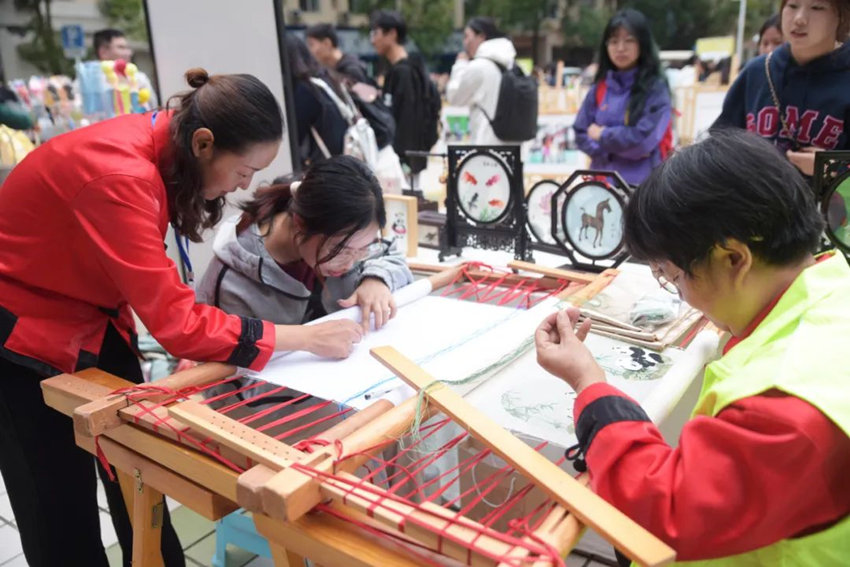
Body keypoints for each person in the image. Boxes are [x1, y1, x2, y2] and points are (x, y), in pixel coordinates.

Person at [0, 68, 364, 567]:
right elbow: (176, 325)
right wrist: (305, 338)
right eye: (242, 173)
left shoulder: (164, 142)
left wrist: (373, 279)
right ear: (204, 143)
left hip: (92, 316)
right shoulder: (121, 176)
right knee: (59, 508)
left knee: (134, 474)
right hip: (21, 331)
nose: (246, 185)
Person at [535, 129, 850, 565]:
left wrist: (587, 381)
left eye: (673, 275)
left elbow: (666, 512)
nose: (680, 294)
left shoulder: (784, 404)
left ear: (734, 259)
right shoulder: (834, 289)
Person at [196, 155, 413, 329]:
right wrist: (309, 343)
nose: (350, 263)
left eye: (362, 250)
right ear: (301, 223)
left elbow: (390, 254)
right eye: (341, 250)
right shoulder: (232, 280)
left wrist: (376, 279)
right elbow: (235, 373)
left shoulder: (351, 239)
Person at [713, 0, 850, 177]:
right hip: (753, 200)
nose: (799, 19)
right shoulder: (757, 71)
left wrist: (832, 168)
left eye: (817, 8)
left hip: (825, 203)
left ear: (842, 18)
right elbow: (720, 143)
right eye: (792, 6)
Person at [573, 9, 672, 186]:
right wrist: (614, 149)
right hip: (601, 186)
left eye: (629, 40)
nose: (620, 48)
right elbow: (580, 132)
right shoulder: (600, 87)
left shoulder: (656, 89)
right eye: (613, 41)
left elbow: (643, 142)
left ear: (643, 43)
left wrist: (602, 134)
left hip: (641, 188)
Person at [370, 10, 440, 175]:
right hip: (408, 159)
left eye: (376, 33)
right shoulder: (408, 68)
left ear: (392, 33)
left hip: (404, 161)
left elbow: (407, 121)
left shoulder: (404, 72)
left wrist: (402, 161)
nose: (373, 40)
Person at [445, 17, 518, 145]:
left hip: (485, 147)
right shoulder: (512, 64)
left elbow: (454, 97)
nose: (464, 43)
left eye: (467, 37)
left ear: (481, 37)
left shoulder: (479, 67)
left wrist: (460, 64)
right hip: (512, 146)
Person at [285, 34, 349, 169]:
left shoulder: (304, 90)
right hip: (341, 162)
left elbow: (295, 137)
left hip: (324, 168)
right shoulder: (324, 80)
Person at [93, 28, 158, 108]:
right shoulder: (89, 82)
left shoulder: (140, 78)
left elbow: (154, 108)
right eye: (121, 47)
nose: (128, 53)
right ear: (103, 52)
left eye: (127, 48)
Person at [305, 23, 371, 84]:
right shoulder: (325, 69)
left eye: (311, 45)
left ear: (326, 43)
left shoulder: (352, 70)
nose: (309, 50)